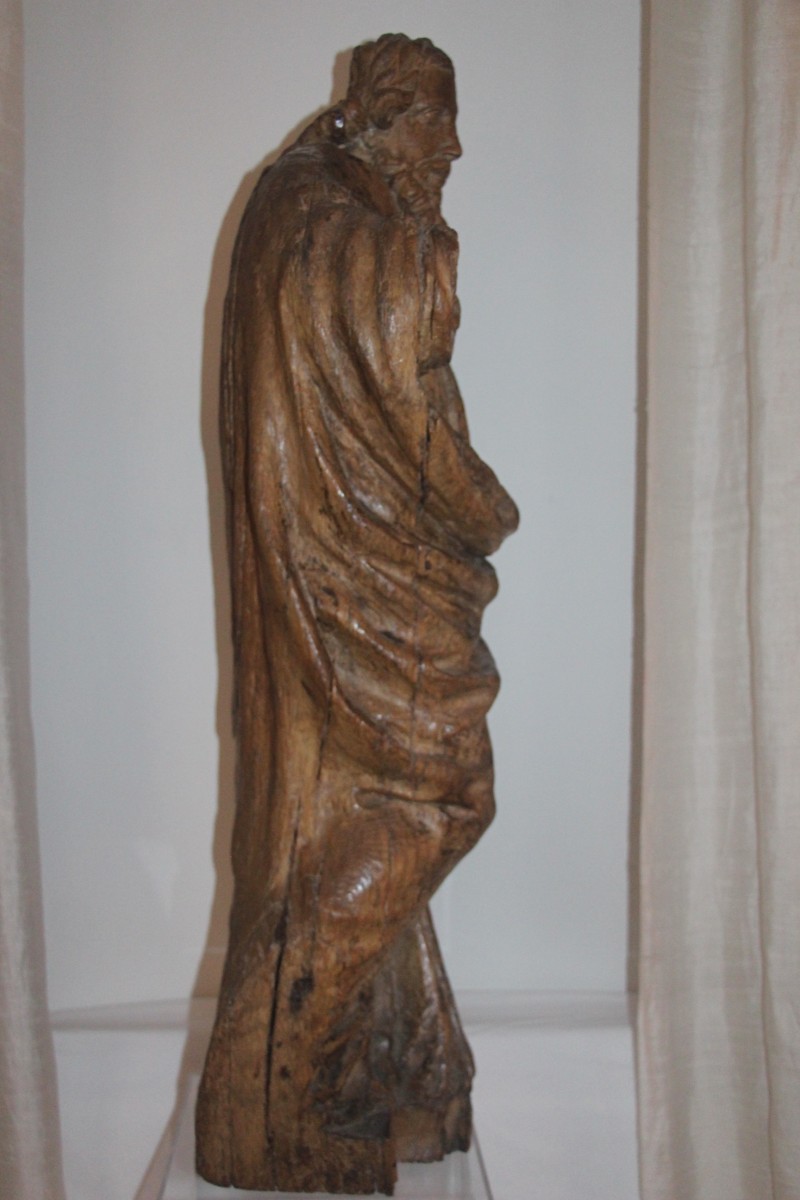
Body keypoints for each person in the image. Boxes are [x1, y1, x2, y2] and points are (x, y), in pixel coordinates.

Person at [196, 35, 518, 1195]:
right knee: (438, 796)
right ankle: (266, 1095)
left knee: (398, 805)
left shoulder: (326, 203)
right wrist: (420, 263)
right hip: (341, 593)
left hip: (375, 570)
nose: (452, 147)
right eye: (433, 119)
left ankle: (365, 1054)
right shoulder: (316, 213)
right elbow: (388, 354)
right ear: (377, 116)